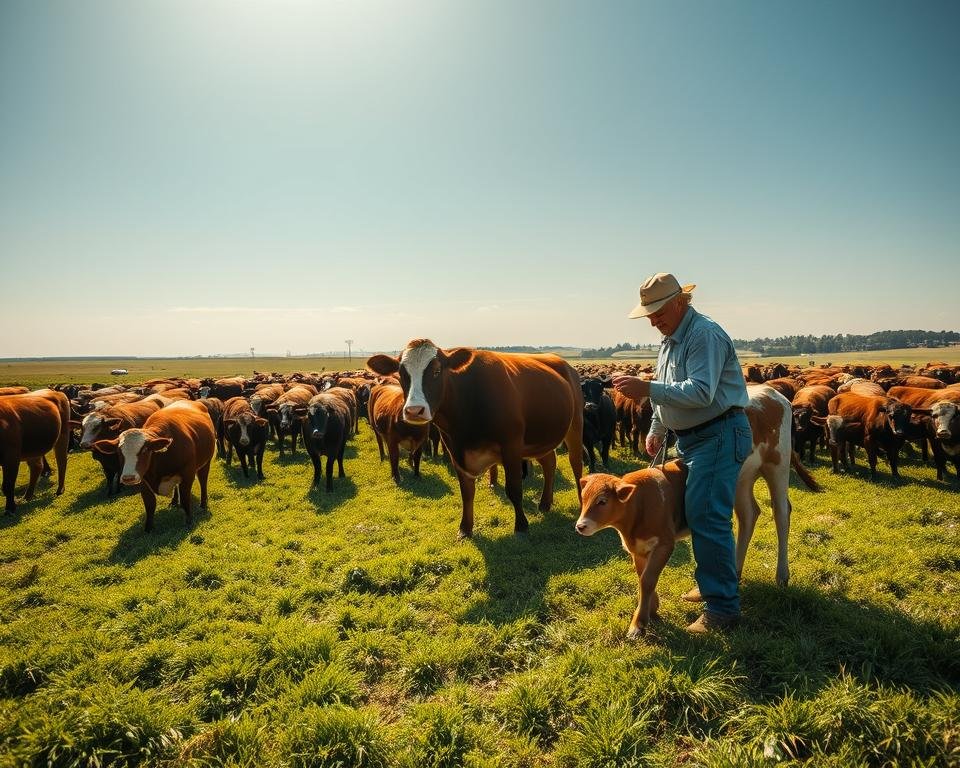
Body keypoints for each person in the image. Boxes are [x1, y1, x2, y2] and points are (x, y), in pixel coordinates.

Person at [612, 272, 752, 634]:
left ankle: (723, 610)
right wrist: (658, 428)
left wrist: (646, 388)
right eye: (649, 315)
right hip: (691, 439)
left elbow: (701, 392)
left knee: (706, 516)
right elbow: (671, 391)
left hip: (718, 434)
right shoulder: (671, 340)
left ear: (680, 302)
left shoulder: (702, 334)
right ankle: (713, 586)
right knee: (696, 512)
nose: (654, 321)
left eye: (658, 311)